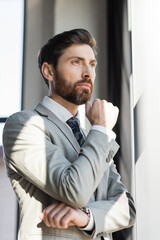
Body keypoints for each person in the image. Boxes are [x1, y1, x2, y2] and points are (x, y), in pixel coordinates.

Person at [3, 29, 136, 240]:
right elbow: (74, 190)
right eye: (76, 62)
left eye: (92, 64)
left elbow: (127, 208)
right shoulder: (23, 125)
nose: (88, 73)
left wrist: (87, 217)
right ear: (49, 72)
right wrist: (102, 129)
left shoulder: (91, 136)